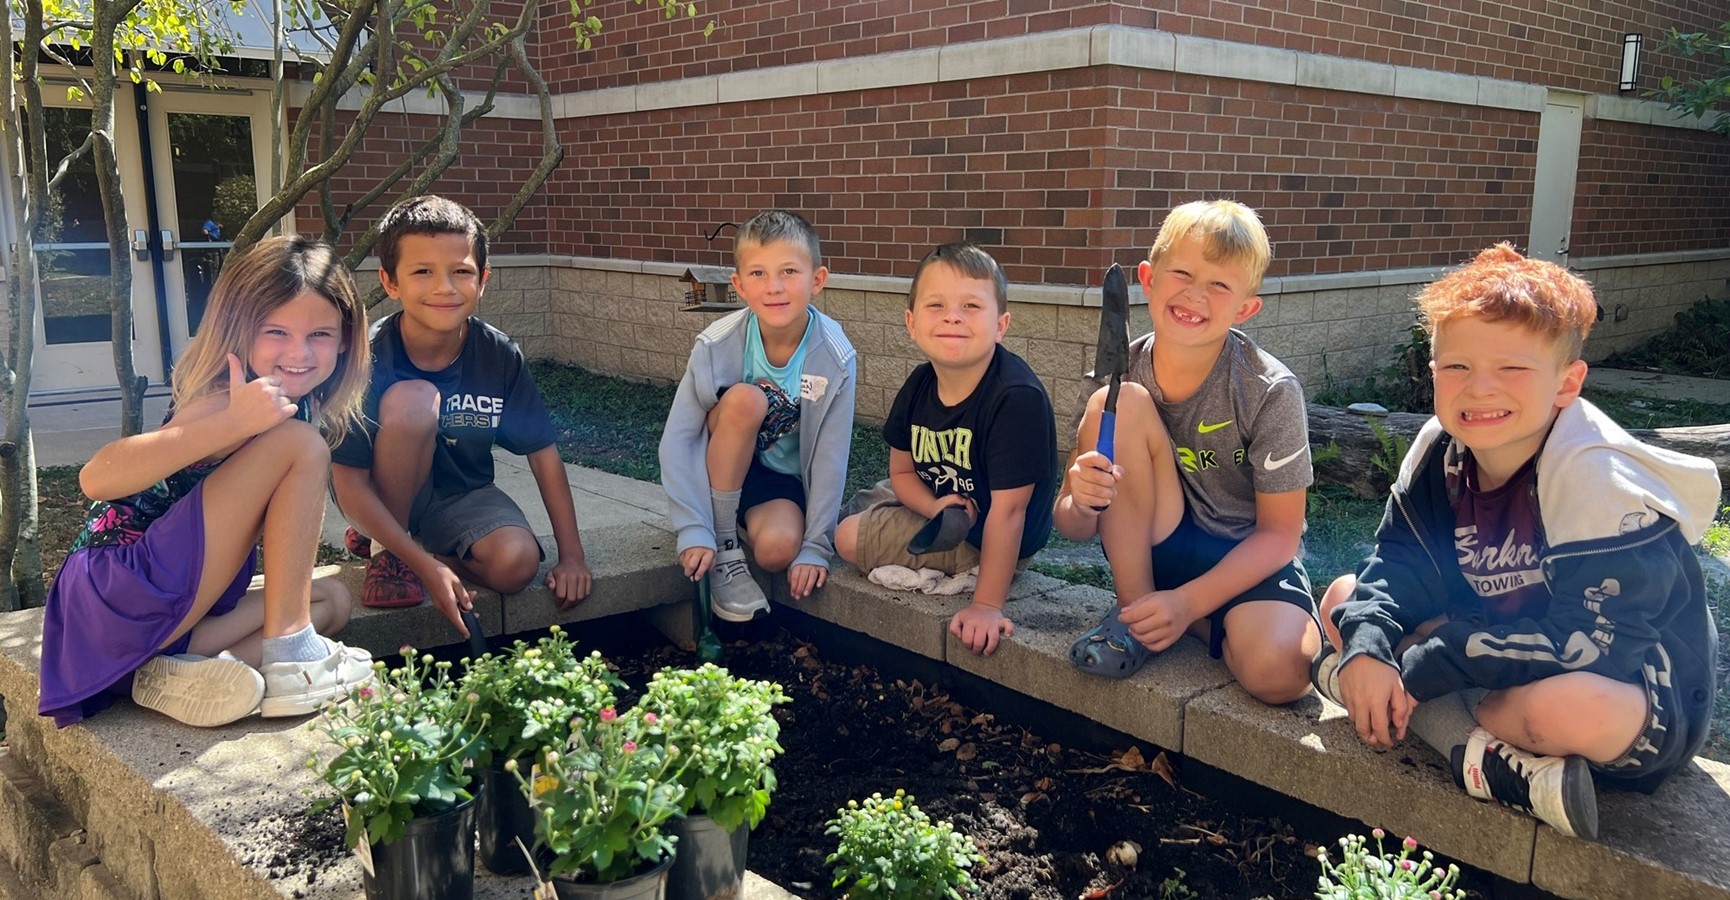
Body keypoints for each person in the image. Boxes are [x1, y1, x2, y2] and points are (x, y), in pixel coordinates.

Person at [1311, 243, 1721, 840]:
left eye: (1512, 368)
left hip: (1626, 685)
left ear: (1567, 382)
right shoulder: (1437, 450)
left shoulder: (1598, 480)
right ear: (1433, 373)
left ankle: (1411, 712)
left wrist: (1429, 662)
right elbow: (1398, 563)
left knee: (1542, 710)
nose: (1479, 389)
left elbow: (1593, 644)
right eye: (1457, 367)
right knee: (1345, 599)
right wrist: (1372, 646)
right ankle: (1480, 758)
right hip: (1498, 639)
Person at [38, 236, 375, 728]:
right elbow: (95, 478)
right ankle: (291, 659)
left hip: (157, 614)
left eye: (320, 334)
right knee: (302, 445)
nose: (299, 352)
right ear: (240, 328)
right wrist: (232, 425)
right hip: (121, 589)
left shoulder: (292, 402)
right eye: (276, 331)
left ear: (345, 337)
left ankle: (182, 675)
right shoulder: (227, 400)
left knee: (333, 600)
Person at [1056, 200, 1321, 701]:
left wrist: (1188, 603)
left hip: (1246, 558)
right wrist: (1079, 498)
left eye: (1220, 285)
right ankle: (1138, 617)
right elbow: (1071, 526)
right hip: (1159, 548)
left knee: (1280, 671)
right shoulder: (1114, 377)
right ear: (1148, 279)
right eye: (1182, 273)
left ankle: (1190, 617)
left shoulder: (1268, 389)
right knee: (1122, 404)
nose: (1196, 294)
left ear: (1246, 308)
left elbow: (1280, 535)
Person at [330, 195, 592, 636]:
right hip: (377, 490)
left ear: (483, 280)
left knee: (517, 564)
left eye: (462, 272)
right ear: (390, 282)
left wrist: (572, 556)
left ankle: (407, 548)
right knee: (415, 401)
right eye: (422, 272)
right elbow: (348, 483)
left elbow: (543, 455)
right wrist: (409, 558)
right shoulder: (367, 358)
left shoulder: (498, 355)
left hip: (460, 495)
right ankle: (386, 552)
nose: (445, 287)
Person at [835, 243, 1057, 655]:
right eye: (936, 304)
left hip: (990, 536)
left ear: (1001, 325)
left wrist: (987, 606)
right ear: (911, 322)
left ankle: (978, 574)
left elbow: (1011, 513)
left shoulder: (1015, 398)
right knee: (857, 504)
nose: (953, 316)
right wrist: (934, 507)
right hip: (946, 504)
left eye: (971, 306)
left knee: (847, 536)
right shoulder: (920, 383)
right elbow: (902, 473)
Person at [660, 209, 857, 622]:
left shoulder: (834, 358)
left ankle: (744, 520)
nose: (775, 287)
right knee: (748, 400)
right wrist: (693, 528)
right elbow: (679, 438)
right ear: (739, 285)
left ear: (817, 280)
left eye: (788, 271)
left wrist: (816, 546)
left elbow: (830, 457)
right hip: (724, 458)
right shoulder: (716, 345)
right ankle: (724, 543)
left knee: (777, 551)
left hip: (778, 478)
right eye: (759, 274)